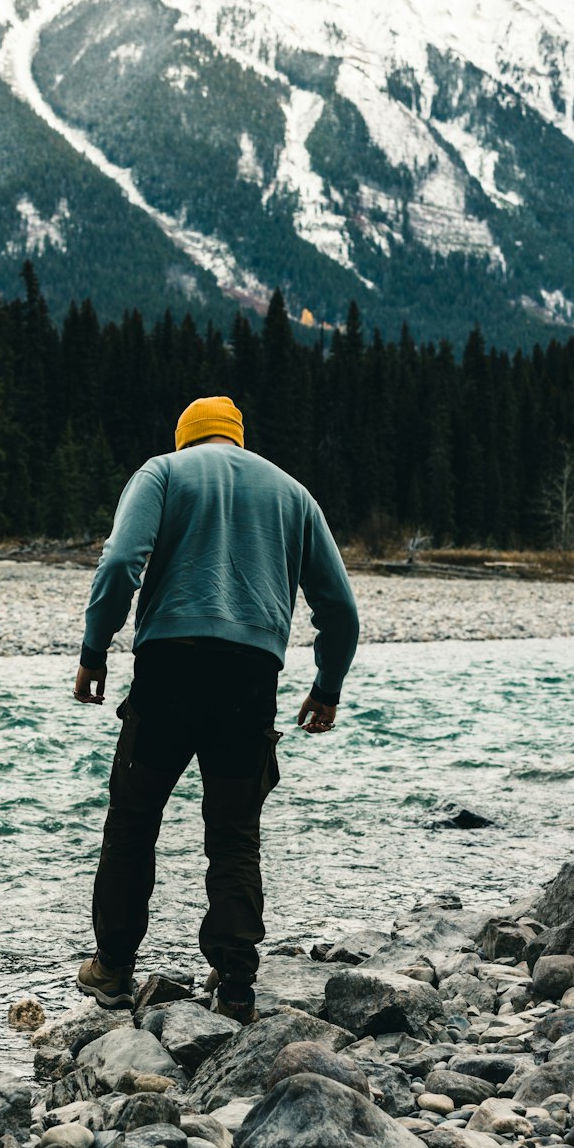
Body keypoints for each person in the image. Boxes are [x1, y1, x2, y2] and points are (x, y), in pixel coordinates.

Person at [73, 395, 359, 1024]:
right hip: (251, 677)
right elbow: (339, 607)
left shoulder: (162, 473)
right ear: (236, 438)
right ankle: (234, 984)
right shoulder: (293, 494)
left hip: (168, 670)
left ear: (186, 440)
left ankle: (114, 971)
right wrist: (327, 686)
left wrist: (95, 650)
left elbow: (121, 562)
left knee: (133, 821)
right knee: (233, 836)